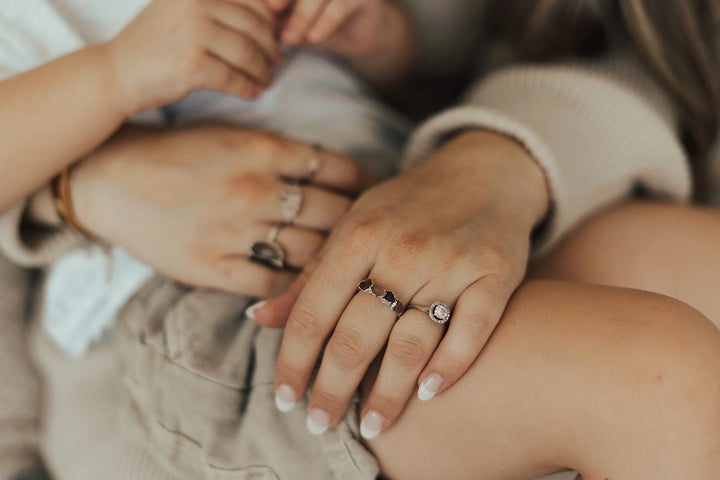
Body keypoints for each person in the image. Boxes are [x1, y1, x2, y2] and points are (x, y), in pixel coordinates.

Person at [0, 2, 716, 480]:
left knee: (697, 266)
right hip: (199, 312)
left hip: (409, 186)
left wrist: (378, 35)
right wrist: (115, 76)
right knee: (660, 381)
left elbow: (468, 35)